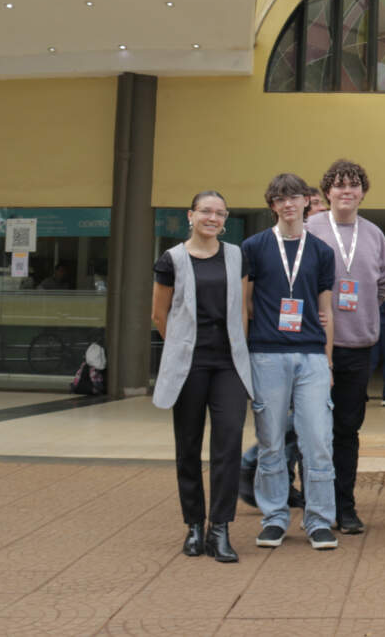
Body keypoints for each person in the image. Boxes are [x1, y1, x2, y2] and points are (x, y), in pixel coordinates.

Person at [152, 190, 252, 563]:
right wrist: (183, 347)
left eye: (220, 213)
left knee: (228, 444)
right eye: (206, 211)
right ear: (190, 216)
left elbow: (241, 309)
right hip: (189, 364)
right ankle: (194, 524)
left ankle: (220, 528)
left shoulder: (235, 256)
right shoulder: (172, 259)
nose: (213, 218)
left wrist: (235, 347)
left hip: (228, 365)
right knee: (188, 446)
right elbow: (160, 315)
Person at [243, 173, 338, 550]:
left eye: (294, 197)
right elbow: (246, 305)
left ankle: (319, 521)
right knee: (270, 441)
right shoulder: (254, 246)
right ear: (272, 205)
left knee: (317, 440)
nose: (288, 204)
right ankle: (275, 517)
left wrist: (328, 362)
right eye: (280, 198)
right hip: (266, 354)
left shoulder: (321, 252)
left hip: (312, 355)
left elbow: (326, 311)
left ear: (306, 202)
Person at [305, 159, 385, 535]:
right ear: (327, 191)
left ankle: (345, 506)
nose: (347, 191)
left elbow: (383, 283)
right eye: (339, 185)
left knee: (346, 430)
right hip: (312, 347)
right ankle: (315, 506)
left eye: (354, 185)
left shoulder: (373, 234)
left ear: (362, 192)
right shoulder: (310, 227)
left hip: (358, 346)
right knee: (311, 431)